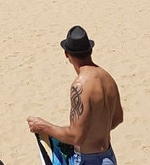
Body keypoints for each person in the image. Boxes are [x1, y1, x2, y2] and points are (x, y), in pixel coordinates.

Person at [28, 26, 123, 165]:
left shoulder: (79, 86)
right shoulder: (108, 78)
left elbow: (76, 137)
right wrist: (96, 132)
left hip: (88, 159)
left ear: (66, 54)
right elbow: (118, 118)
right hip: (108, 156)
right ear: (90, 50)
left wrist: (43, 127)